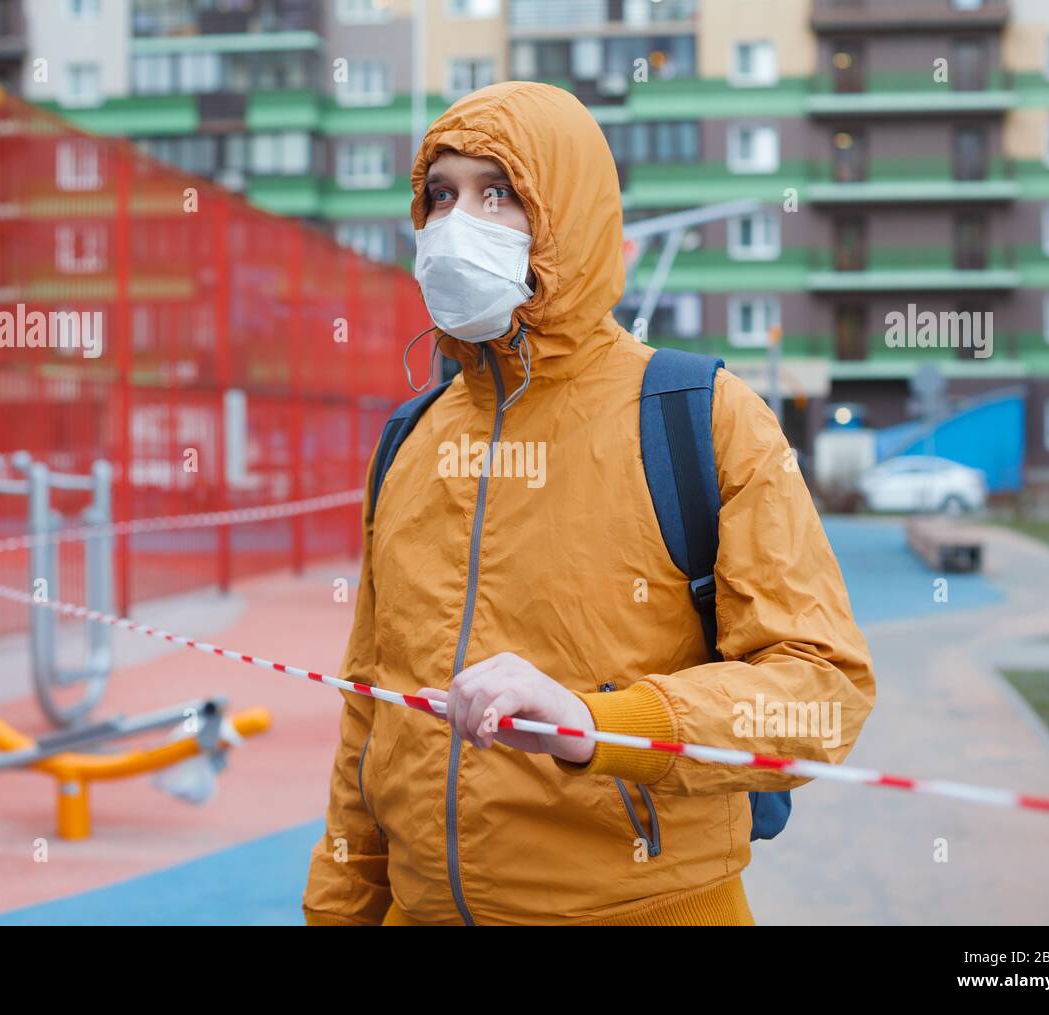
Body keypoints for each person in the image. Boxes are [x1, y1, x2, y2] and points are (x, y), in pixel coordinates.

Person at [303, 81, 876, 926]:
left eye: (498, 193)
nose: (458, 221)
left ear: (564, 212)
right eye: (441, 195)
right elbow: (368, 718)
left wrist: (602, 721)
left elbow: (820, 690)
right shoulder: (410, 439)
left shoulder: (698, 413)